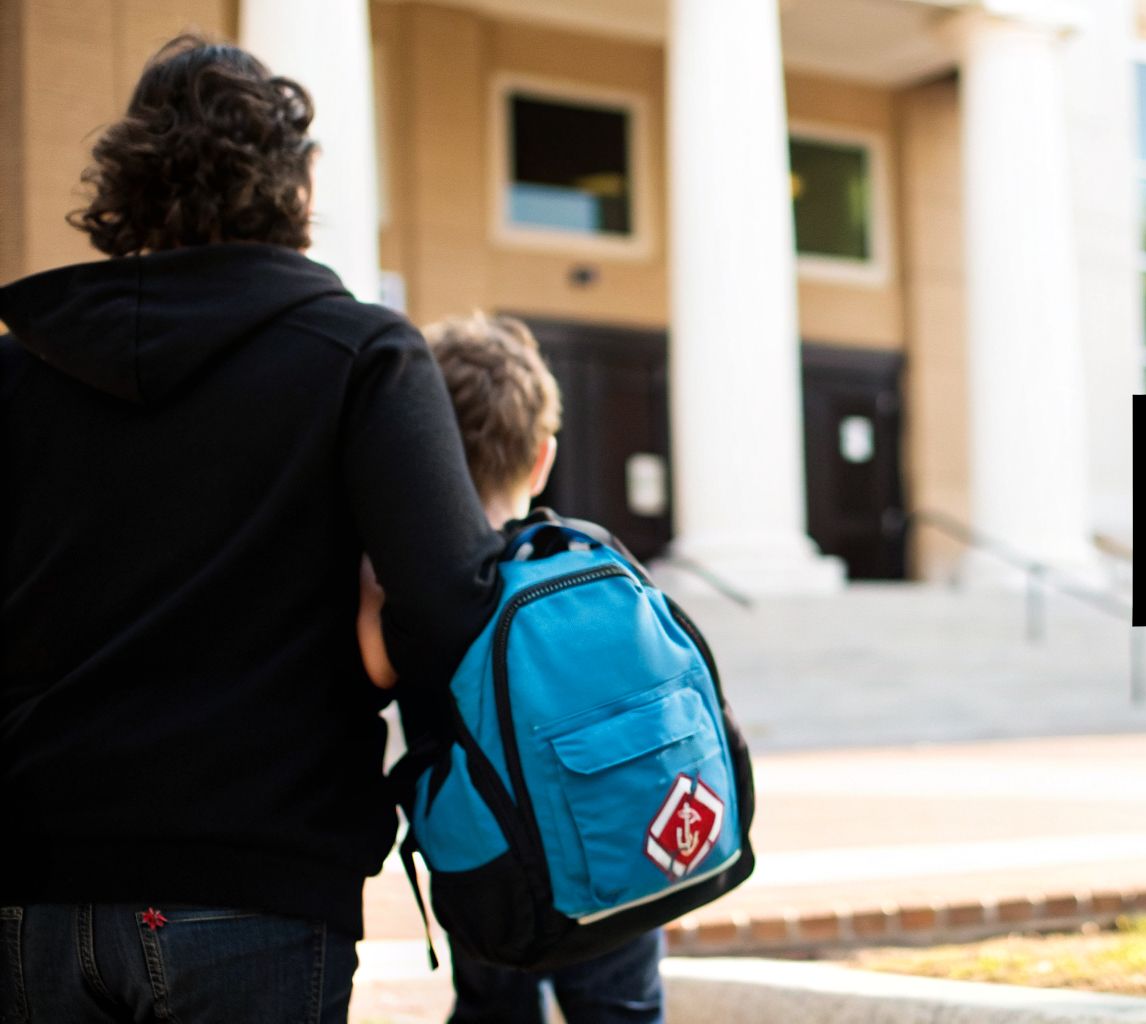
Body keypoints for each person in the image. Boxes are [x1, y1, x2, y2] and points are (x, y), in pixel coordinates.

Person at [0, 36, 501, 1022]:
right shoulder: (361, 355)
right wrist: (376, 652)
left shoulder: (21, 369)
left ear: (128, 178)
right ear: (297, 186)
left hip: (31, 879)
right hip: (256, 880)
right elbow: (453, 604)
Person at [356, 312, 665, 1024]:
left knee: (493, 1007)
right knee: (621, 1009)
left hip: (490, 868)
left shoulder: (423, 591)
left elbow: (374, 668)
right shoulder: (584, 561)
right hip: (614, 851)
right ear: (543, 458)